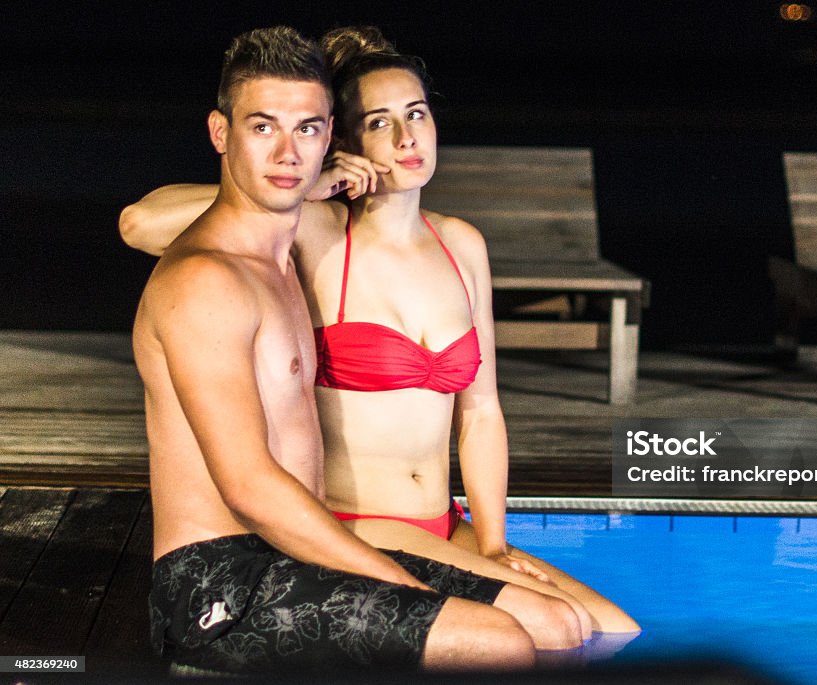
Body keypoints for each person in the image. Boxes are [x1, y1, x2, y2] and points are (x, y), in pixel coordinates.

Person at [121, 25, 639, 640]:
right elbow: (142, 224)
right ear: (346, 141)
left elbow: (482, 411)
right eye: (378, 122)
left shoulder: (460, 244)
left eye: (416, 114)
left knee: (612, 630)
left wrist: (496, 544)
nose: (405, 137)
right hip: (358, 517)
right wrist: (312, 179)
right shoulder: (313, 233)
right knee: (550, 631)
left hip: (445, 520)